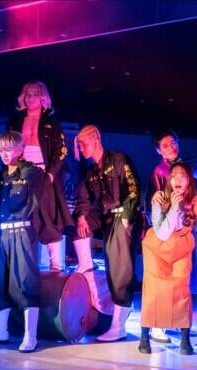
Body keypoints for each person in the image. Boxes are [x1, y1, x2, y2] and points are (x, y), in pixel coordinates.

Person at [0, 131, 46, 352]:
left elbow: (35, 189)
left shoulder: (31, 172)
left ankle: (30, 335)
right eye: (0, 150)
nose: (4, 154)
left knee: (25, 282)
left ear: (21, 148)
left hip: (21, 232)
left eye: (8, 149)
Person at [72, 125, 141, 342]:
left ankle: (118, 326)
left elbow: (133, 189)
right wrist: (82, 217)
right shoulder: (91, 172)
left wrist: (128, 215)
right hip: (106, 219)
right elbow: (84, 199)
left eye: (83, 144)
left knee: (119, 270)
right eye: (78, 146)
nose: (81, 149)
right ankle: (86, 265)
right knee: (78, 220)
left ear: (96, 139)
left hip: (123, 217)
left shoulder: (119, 160)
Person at [140, 162, 197, 355]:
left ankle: (185, 339)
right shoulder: (159, 198)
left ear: (189, 180)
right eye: (174, 175)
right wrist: (174, 208)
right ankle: (145, 337)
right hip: (157, 248)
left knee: (182, 292)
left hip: (181, 248)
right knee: (153, 291)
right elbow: (162, 233)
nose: (177, 179)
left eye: (182, 175)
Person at [7, 81, 73, 271]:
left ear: (42, 97)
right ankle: (26, 266)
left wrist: (51, 173)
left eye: (34, 94)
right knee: (22, 217)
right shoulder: (15, 121)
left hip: (43, 173)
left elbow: (62, 151)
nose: (30, 98)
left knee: (48, 217)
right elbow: (7, 146)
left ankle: (56, 266)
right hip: (20, 173)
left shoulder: (51, 122)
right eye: (27, 94)